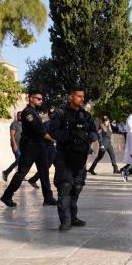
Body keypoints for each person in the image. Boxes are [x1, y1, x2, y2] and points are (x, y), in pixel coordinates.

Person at [49, 87, 98, 231]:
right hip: (64, 156)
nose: (82, 99)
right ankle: (65, 221)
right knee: (65, 187)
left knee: (77, 188)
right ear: (71, 97)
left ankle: (73, 217)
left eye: (83, 97)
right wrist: (71, 135)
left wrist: (89, 137)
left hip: (81, 158)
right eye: (79, 96)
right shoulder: (60, 113)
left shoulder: (86, 115)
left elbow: (94, 133)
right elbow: (53, 132)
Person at [0, 91, 58, 207]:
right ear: (31, 98)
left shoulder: (35, 112)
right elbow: (39, 130)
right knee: (22, 172)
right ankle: (7, 196)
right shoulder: (28, 112)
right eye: (38, 99)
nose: (41, 101)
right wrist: (54, 140)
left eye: (41, 99)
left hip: (39, 145)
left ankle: (48, 197)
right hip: (30, 146)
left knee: (44, 171)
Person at [26, 117, 57, 189]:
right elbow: (44, 135)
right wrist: (54, 139)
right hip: (48, 146)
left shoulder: (53, 123)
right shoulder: (48, 124)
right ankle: (33, 180)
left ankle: (33, 180)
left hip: (52, 146)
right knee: (46, 166)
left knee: (58, 165)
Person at [2, 112, 22, 181]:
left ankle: (19, 174)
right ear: (17, 116)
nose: (20, 117)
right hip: (16, 144)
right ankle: (6, 172)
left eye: (22, 115)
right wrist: (14, 145)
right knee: (19, 159)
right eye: (19, 115)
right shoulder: (14, 124)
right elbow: (12, 136)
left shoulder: (24, 124)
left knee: (20, 160)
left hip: (22, 145)